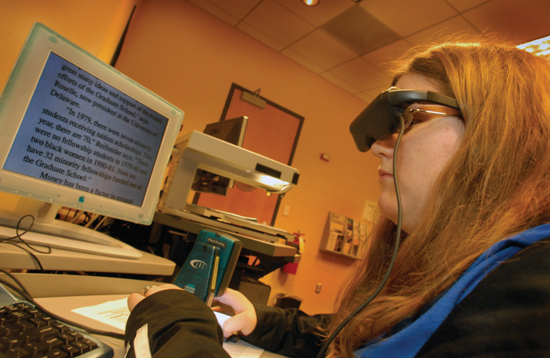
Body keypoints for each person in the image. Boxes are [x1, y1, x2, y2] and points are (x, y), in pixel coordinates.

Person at [124, 41, 550, 358]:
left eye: (409, 117)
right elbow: (361, 334)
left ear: (498, 134)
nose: (380, 145)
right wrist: (264, 321)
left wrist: (176, 324)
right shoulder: (458, 278)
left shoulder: (530, 291)